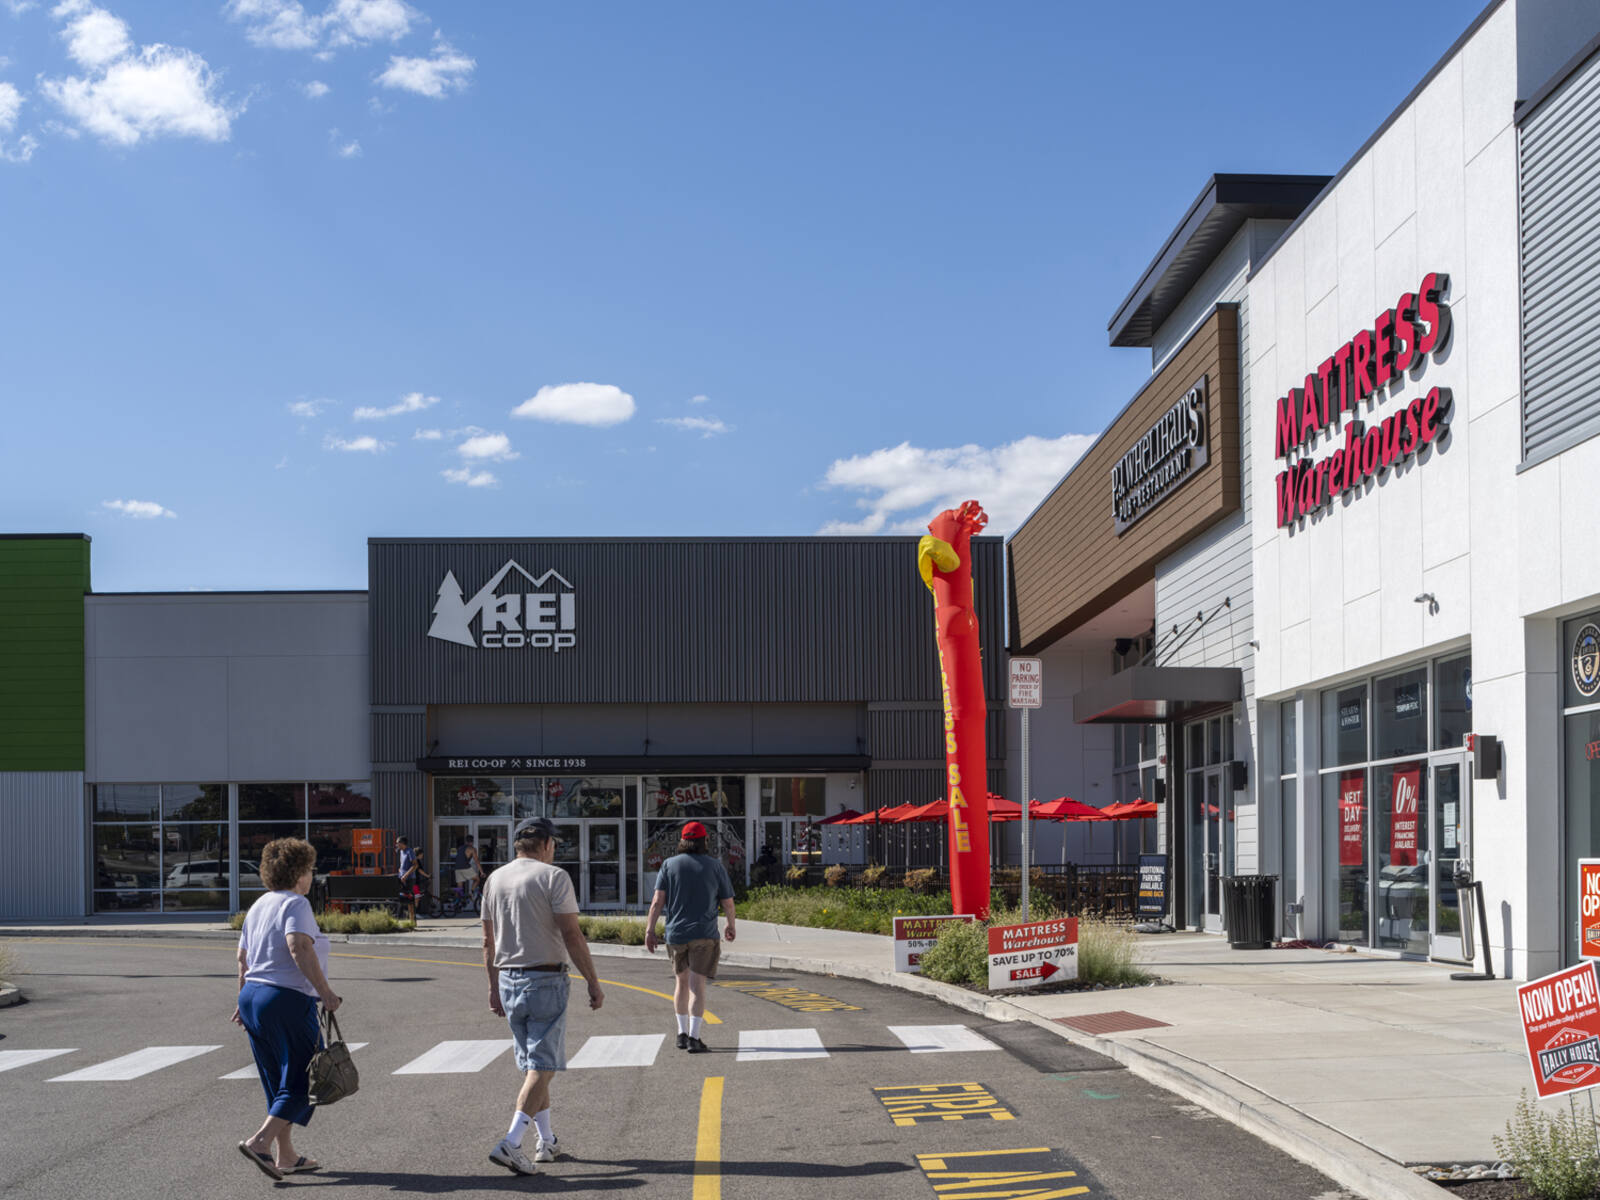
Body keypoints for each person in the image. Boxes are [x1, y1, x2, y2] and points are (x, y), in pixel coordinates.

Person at [481, 816, 604, 1176]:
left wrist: (492, 987)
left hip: (509, 980)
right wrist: (593, 981)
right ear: (547, 844)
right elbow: (571, 934)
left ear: (517, 844)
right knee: (543, 1066)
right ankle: (511, 1141)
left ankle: (546, 1141)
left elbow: (487, 941)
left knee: (535, 1066)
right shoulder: (554, 877)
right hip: (545, 979)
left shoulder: (495, 879)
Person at [233, 837, 342, 1182]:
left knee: (276, 1081)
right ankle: (260, 1142)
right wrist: (326, 993)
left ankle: (286, 1155)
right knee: (304, 1080)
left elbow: (243, 959)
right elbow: (299, 947)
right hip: (286, 999)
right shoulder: (296, 904)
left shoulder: (259, 905)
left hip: (254, 997)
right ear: (298, 873)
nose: (312, 876)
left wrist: (241, 999)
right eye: (310, 869)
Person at [644, 820, 736, 1053]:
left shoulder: (669, 865)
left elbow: (657, 901)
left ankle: (681, 1034)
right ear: (705, 841)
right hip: (704, 934)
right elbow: (727, 901)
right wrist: (730, 924)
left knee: (681, 983)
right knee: (697, 986)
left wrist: (650, 930)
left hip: (676, 934)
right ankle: (694, 1038)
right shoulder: (715, 866)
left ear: (683, 841)